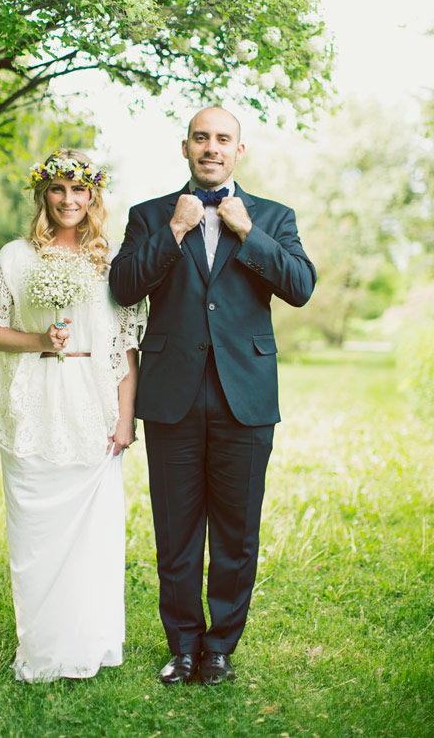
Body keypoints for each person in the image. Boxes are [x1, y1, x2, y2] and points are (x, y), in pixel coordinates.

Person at [109, 106, 316, 686]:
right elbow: (124, 287)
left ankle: (220, 648)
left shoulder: (274, 216)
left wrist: (249, 232)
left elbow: (300, 287)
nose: (212, 147)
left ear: (238, 150)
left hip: (244, 398)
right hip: (171, 394)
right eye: (201, 138)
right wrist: (174, 232)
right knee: (175, 533)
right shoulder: (149, 215)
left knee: (236, 532)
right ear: (185, 147)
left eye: (223, 139)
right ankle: (181, 647)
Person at [0, 148, 145, 683]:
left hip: (94, 404)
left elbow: (126, 345)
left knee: (94, 533)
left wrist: (125, 417)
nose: (69, 200)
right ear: (44, 195)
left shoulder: (113, 262)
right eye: (59, 189)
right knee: (35, 533)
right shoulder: (15, 257)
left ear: (93, 196)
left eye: (79, 189)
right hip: (35, 400)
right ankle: (42, 645)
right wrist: (38, 339)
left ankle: (89, 641)